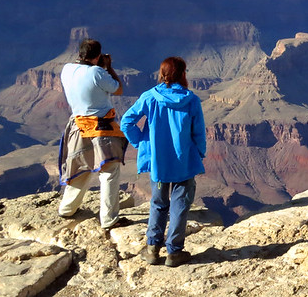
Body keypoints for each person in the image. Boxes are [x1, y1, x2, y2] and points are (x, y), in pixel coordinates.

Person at [121, 56, 206, 268]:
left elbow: (126, 122)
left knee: (158, 204)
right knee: (179, 205)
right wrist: (199, 153)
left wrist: (142, 142)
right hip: (184, 162)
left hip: (159, 163)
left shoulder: (149, 97)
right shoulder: (191, 100)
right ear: (182, 74)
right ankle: (174, 252)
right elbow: (199, 133)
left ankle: (152, 250)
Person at [58, 38, 128, 230]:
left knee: (80, 165)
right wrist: (109, 67)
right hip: (101, 127)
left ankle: (67, 208)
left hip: (77, 125)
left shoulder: (66, 69)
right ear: (98, 56)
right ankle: (108, 219)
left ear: (79, 54)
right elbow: (118, 89)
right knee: (109, 171)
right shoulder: (97, 72)